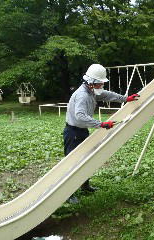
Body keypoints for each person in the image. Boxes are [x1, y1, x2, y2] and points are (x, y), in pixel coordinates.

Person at [64, 64, 139, 202]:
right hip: (73, 132)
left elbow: (106, 94)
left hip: (81, 131)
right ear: (91, 82)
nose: (101, 86)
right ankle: (68, 194)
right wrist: (101, 124)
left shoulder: (91, 91)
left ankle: (85, 186)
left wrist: (125, 98)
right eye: (99, 83)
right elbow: (80, 115)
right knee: (72, 163)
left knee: (86, 160)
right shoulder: (82, 95)